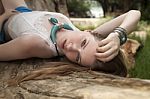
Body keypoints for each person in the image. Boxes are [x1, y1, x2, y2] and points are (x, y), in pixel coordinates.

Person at [0, 0, 141, 77]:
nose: (71, 48)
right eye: (83, 43)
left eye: (77, 57)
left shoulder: (37, 44)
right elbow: (134, 13)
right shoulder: (83, 32)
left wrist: (4, 17)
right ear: (89, 32)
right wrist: (118, 35)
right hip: (22, 11)